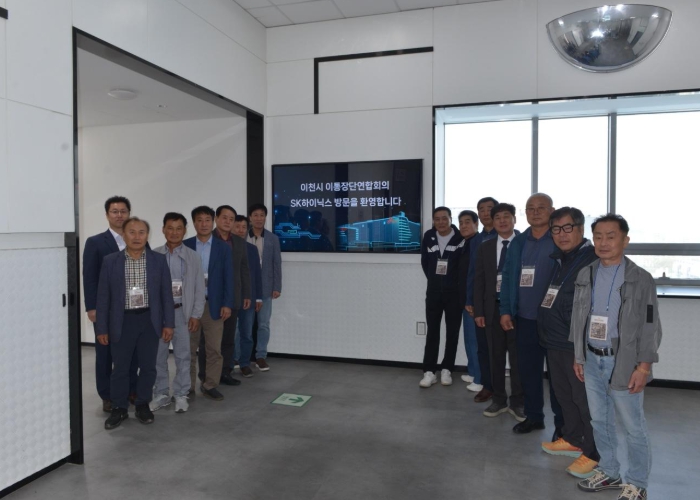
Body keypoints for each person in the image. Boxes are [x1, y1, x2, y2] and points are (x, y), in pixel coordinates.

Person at [571, 214, 661, 500]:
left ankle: (637, 483)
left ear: (625, 240)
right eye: (598, 236)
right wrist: (578, 356)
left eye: (611, 236)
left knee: (634, 427)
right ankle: (609, 471)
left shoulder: (640, 278)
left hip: (623, 361)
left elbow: (650, 326)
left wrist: (643, 367)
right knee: (600, 421)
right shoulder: (586, 274)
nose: (603, 242)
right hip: (591, 358)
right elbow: (578, 318)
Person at [96, 217, 174, 430]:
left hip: (149, 320)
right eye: (132, 232)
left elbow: (166, 295)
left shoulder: (158, 260)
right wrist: (102, 328)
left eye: (141, 232)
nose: (137, 236)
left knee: (148, 367)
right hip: (122, 321)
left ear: (147, 235)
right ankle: (119, 407)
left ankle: (142, 404)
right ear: (123, 235)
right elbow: (103, 297)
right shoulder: (111, 261)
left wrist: (168, 323)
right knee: (120, 368)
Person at [538, 207, 599, 478]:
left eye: (567, 228)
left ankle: (594, 453)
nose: (561, 234)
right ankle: (573, 439)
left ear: (581, 229)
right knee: (564, 396)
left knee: (585, 401)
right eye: (556, 229)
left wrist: (582, 347)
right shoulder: (561, 259)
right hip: (555, 340)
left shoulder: (593, 260)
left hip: (576, 344)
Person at [500, 193, 564, 435]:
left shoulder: (560, 238)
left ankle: (563, 425)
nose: (535, 212)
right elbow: (508, 277)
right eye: (530, 208)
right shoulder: (519, 242)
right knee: (528, 372)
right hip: (524, 319)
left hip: (556, 321)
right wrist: (506, 310)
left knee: (558, 377)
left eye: (541, 208)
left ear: (552, 211)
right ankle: (534, 417)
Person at [82, 195, 138, 413]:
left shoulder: (137, 239)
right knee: (105, 354)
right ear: (107, 215)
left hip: (133, 308)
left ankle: (131, 389)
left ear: (129, 214)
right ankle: (107, 395)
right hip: (105, 309)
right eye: (115, 211)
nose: (119, 215)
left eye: (123, 211)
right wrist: (92, 307)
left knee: (131, 351)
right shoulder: (95, 242)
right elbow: (89, 277)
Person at [151, 213, 206, 414]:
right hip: (160, 315)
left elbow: (199, 288)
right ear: (163, 229)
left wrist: (196, 315)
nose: (174, 232)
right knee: (159, 356)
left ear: (185, 230)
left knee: (184, 355)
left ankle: (181, 394)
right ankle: (161, 393)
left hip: (183, 312)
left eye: (179, 228)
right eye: (170, 228)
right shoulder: (154, 255)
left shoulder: (193, 257)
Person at [473, 203, 523, 420]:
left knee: (518, 358)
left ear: (514, 219)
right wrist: (479, 311)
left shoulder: (524, 244)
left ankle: (518, 402)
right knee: (495, 356)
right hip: (492, 309)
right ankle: (499, 400)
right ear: (492, 222)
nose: (502, 221)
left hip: (517, 310)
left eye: (506, 216)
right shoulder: (485, 247)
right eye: (498, 218)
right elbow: (479, 281)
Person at [184, 206, 234, 401]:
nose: (204, 224)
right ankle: (187, 386)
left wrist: (227, 304)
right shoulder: (185, 245)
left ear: (213, 222)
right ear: (193, 223)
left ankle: (210, 384)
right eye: (199, 220)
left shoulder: (223, 247)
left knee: (214, 349)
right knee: (188, 349)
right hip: (190, 307)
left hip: (214, 305)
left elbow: (228, 277)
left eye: (207, 220)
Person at [198, 205, 250, 387]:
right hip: (210, 298)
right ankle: (205, 375)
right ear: (217, 219)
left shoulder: (239, 242)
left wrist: (246, 294)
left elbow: (244, 269)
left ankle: (225, 372)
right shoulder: (206, 239)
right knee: (207, 341)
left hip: (232, 296)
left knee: (228, 339)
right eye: (224, 218)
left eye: (231, 219)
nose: (228, 222)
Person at [419, 207, 465, 387]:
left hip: (454, 294)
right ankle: (429, 371)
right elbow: (425, 262)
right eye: (437, 219)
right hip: (433, 293)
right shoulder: (429, 236)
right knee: (432, 331)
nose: (441, 222)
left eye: (444, 218)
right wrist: (435, 280)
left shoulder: (460, 237)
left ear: (450, 219)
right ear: (433, 221)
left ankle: (447, 369)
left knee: (452, 332)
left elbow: (463, 266)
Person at [465, 196, 499, 403]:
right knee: (483, 347)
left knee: (500, 348)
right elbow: (472, 272)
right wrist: (470, 299)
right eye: (481, 209)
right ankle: (487, 386)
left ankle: (503, 389)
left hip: (500, 302)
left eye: (489, 208)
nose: (485, 213)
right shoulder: (476, 240)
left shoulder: (507, 236)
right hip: (480, 300)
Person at [247, 203, 282, 372]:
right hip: (246, 288)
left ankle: (261, 356)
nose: (259, 218)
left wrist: (277, 286)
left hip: (266, 287)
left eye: (262, 215)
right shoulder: (243, 236)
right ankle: (240, 356)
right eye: (255, 215)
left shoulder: (272, 238)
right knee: (244, 325)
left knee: (263, 324)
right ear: (250, 218)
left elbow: (277, 264)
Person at [232, 215, 263, 378]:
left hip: (248, 298)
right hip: (230, 298)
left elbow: (256, 275)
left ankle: (244, 363)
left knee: (247, 333)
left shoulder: (252, 249)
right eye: (237, 227)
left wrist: (258, 298)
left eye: (244, 227)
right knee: (229, 334)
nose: (240, 230)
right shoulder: (224, 247)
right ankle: (230, 362)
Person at [456, 210, 481, 392]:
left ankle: (480, 379)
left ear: (476, 224)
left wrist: (471, 299)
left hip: (472, 301)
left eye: (467, 222)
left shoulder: (478, 242)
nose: (463, 226)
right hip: (465, 299)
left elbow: (475, 274)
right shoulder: (465, 243)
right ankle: (473, 372)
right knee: (468, 339)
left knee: (475, 341)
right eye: (461, 223)